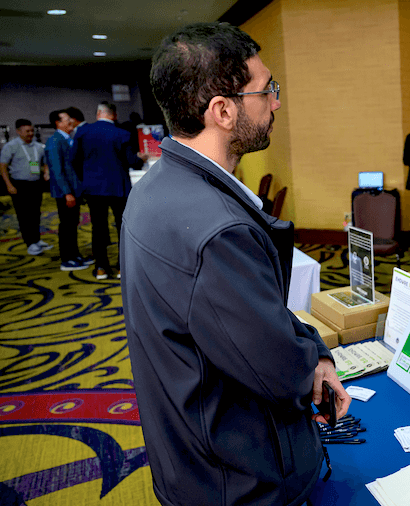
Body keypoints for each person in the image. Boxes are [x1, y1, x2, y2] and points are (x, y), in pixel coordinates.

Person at [120, 22, 351, 506]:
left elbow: (248, 320)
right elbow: (277, 371)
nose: (276, 103)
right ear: (223, 111)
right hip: (238, 479)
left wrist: (312, 349)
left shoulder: (156, 188)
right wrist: (311, 360)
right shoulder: (219, 231)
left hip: (190, 454)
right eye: (267, 90)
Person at [70, 101, 145, 279]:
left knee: (98, 228)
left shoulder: (83, 132)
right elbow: (131, 161)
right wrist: (141, 158)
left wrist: (86, 179)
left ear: (98, 114)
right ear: (114, 115)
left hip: (93, 189)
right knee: (122, 228)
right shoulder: (122, 133)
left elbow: (73, 160)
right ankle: (121, 268)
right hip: (119, 188)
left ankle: (101, 268)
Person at [43, 109, 91, 271]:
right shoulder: (54, 141)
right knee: (66, 226)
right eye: (66, 119)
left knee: (72, 225)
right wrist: (67, 193)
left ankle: (75, 255)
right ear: (58, 123)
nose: (70, 121)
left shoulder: (67, 139)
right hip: (66, 193)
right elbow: (57, 171)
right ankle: (67, 259)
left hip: (73, 191)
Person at [0, 119, 52, 256]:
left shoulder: (38, 146)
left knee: (35, 213)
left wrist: (46, 172)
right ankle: (30, 243)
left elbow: (43, 162)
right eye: (27, 131)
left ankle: (36, 240)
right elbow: (3, 167)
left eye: (32, 130)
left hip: (35, 184)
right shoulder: (11, 146)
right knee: (24, 215)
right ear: (18, 131)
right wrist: (8, 185)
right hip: (19, 185)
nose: (30, 133)